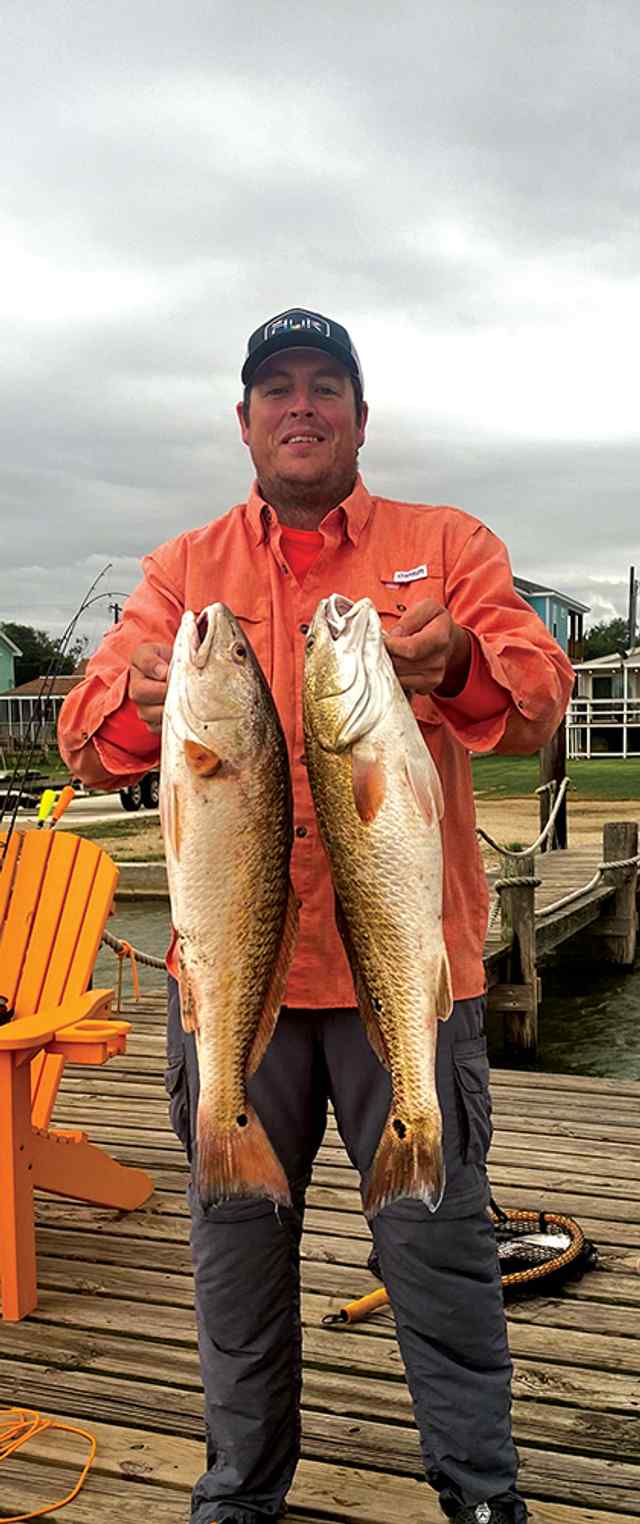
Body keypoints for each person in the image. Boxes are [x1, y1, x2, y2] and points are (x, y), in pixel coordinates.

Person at [59, 307, 574, 1524]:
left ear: (359, 415)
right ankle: (239, 1494)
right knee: (236, 1264)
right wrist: (137, 700)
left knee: (439, 1257)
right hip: (235, 989)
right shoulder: (183, 574)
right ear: (243, 421)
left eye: (324, 385)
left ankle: (480, 1498)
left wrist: (459, 662)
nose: (301, 405)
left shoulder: (446, 545)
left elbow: (539, 696)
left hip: (408, 981)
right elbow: (87, 736)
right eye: (276, 388)